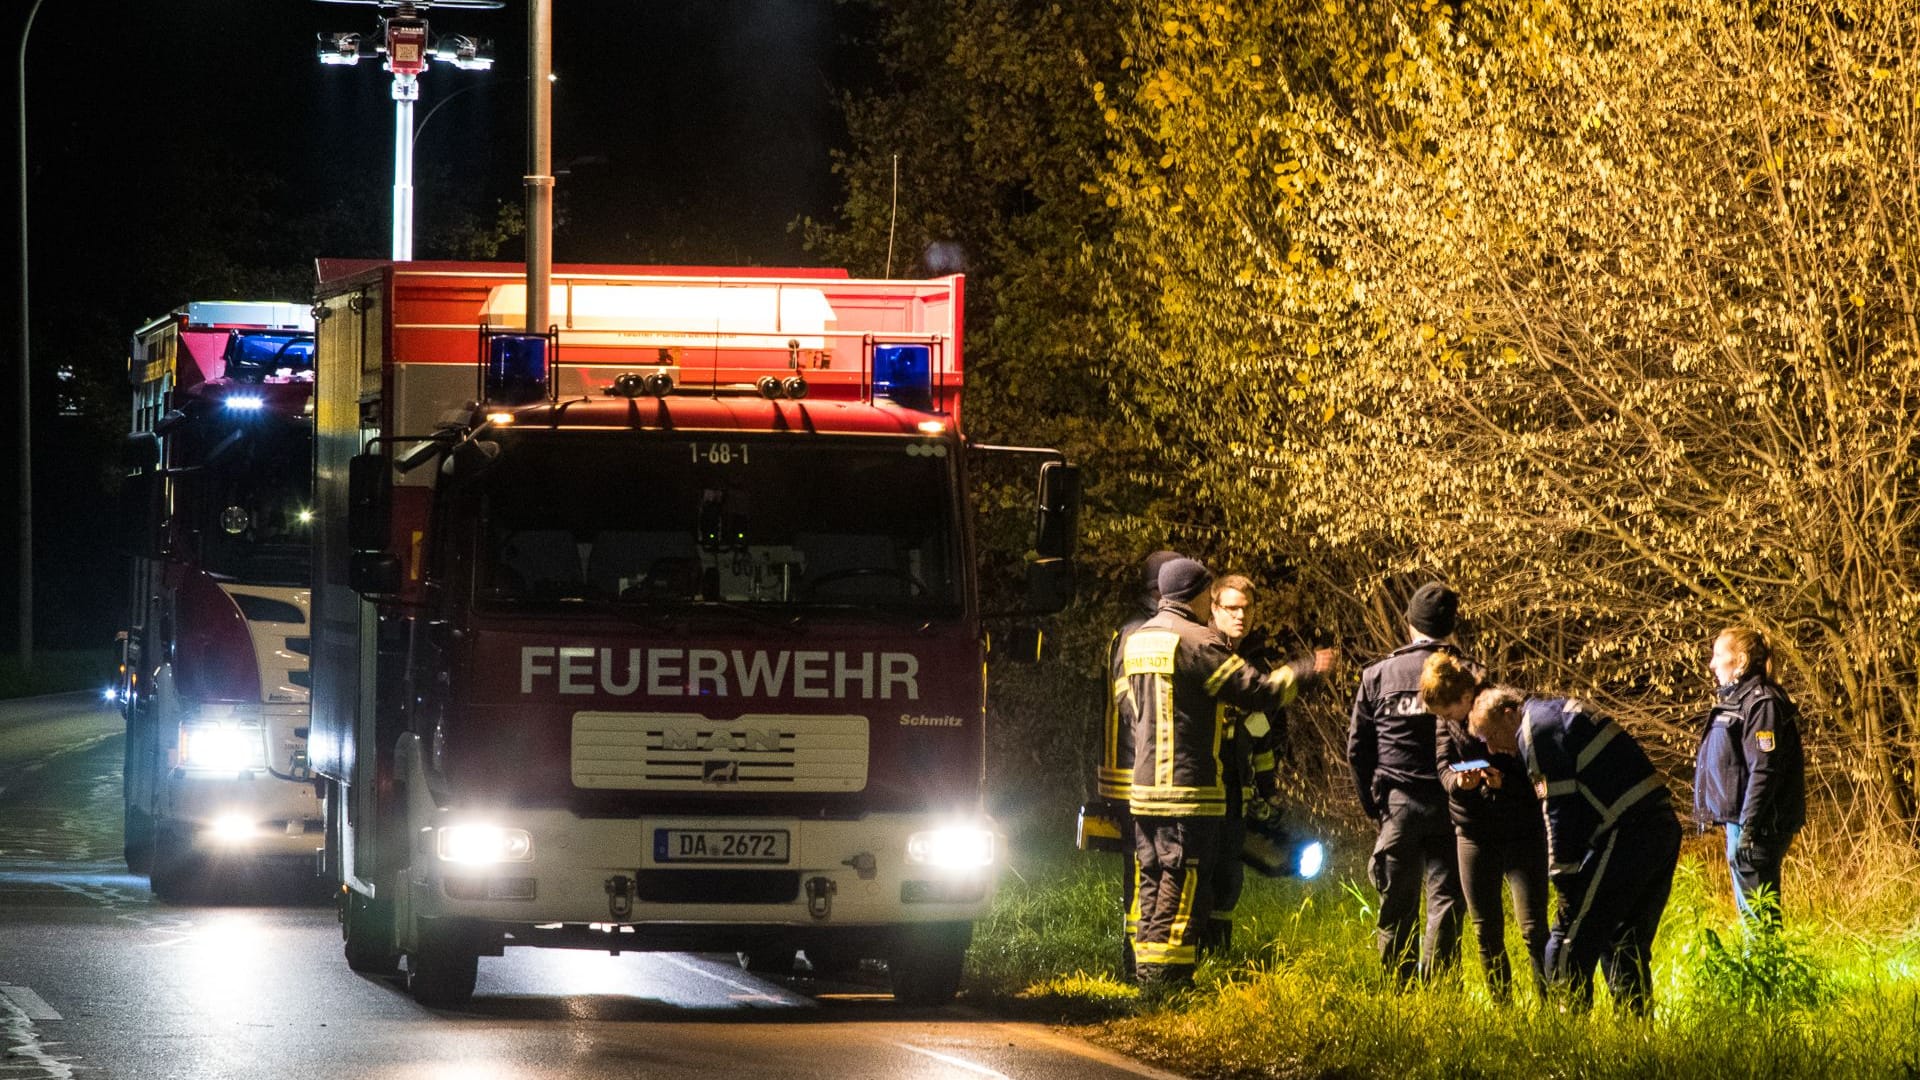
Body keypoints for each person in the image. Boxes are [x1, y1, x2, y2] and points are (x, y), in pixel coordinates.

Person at [1127, 558, 1330, 987]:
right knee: (1182, 884)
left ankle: (1146, 971)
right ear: (1201, 596)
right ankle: (1169, 979)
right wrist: (1305, 669)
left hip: (1144, 787)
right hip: (1187, 787)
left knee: (1151, 880)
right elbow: (1259, 692)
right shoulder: (1198, 643)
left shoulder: (1140, 640)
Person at [1475, 686, 1681, 1014]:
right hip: (1658, 824)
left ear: (1508, 713)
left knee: (1567, 940)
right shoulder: (1555, 713)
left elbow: (1558, 809)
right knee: (1624, 939)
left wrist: (1563, 874)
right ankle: (1635, 1039)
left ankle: (1569, 1039)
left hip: (1628, 829)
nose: (1492, 747)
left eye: (1490, 734)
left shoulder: (1535, 730)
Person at [1346, 581, 1469, 985]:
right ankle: (1439, 992)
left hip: (1399, 807)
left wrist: (1375, 807)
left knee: (1396, 904)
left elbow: (1357, 751)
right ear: (1450, 627)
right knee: (1447, 902)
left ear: (1410, 624)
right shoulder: (1467, 673)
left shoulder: (1378, 675)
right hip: (1453, 806)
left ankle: (1397, 991)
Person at [1201, 574, 1330, 952]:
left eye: (1246, 609)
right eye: (1231, 608)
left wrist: (1267, 791)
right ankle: (1187, 954)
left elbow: (1264, 735)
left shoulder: (1253, 660)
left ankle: (1217, 953)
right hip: (1199, 782)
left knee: (1228, 873)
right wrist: (1303, 671)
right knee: (1200, 871)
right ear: (1213, 608)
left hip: (1234, 787)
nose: (1240, 617)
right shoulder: (1203, 650)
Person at [1420, 653, 1549, 1000]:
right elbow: (1443, 765)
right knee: (1486, 931)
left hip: (1520, 829)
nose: (1445, 720)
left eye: (1448, 713)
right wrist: (1459, 784)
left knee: (1534, 929)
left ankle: (1553, 1008)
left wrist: (1502, 783)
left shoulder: (1501, 708)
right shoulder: (1446, 721)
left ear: (1465, 699)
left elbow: (1534, 769)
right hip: (1473, 830)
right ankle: (1502, 1007)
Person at [1097, 549, 1181, 975]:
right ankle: (1135, 961)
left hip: (1131, 767)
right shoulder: (1139, 634)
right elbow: (1134, 707)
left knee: (1144, 864)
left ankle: (1138, 959)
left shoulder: (1134, 631)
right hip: (1137, 769)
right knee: (1144, 865)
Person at [1695, 627, 1805, 925]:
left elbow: (1764, 770)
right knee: (1752, 920)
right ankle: (1758, 969)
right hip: (1741, 824)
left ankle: (1764, 970)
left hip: (1757, 828)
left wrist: (1749, 828)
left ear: (1740, 660)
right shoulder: (1740, 702)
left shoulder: (1762, 703)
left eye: (1719, 655)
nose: (1712, 664)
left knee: (1760, 924)